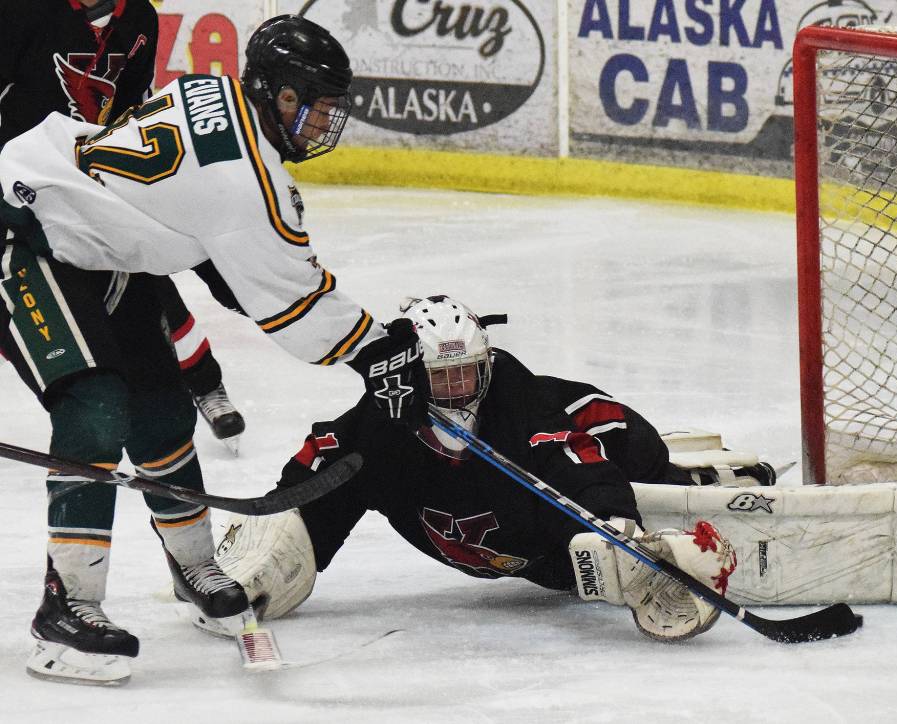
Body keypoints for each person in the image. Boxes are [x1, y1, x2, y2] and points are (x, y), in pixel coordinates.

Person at [0, 14, 429, 684]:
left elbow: (180, 203)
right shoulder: (253, 180)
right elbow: (298, 305)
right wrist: (382, 354)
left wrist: (219, 267)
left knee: (164, 408)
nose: (319, 124)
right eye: (303, 104)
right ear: (271, 91)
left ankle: (194, 567)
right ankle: (66, 612)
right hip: (25, 229)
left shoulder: (213, 91)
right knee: (94, 407)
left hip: (91, 233)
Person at [216, 295, 749, 643]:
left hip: (597, 453)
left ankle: (700, 479)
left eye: (469, 372)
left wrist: (614, 524)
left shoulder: (524, 412)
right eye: (443, 378)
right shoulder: (381, 428)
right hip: (524, 556)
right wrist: (273, 543)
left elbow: (575, 459)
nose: (461, 389)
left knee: (634, 478)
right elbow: (322, 464)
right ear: (410, 375)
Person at [0, 0, 246, 448]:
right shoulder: (21, 11)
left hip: (83, 173)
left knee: (145, 266)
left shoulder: (139, 18)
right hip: (17, 181)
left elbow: (129, 108)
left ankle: (205, 381)